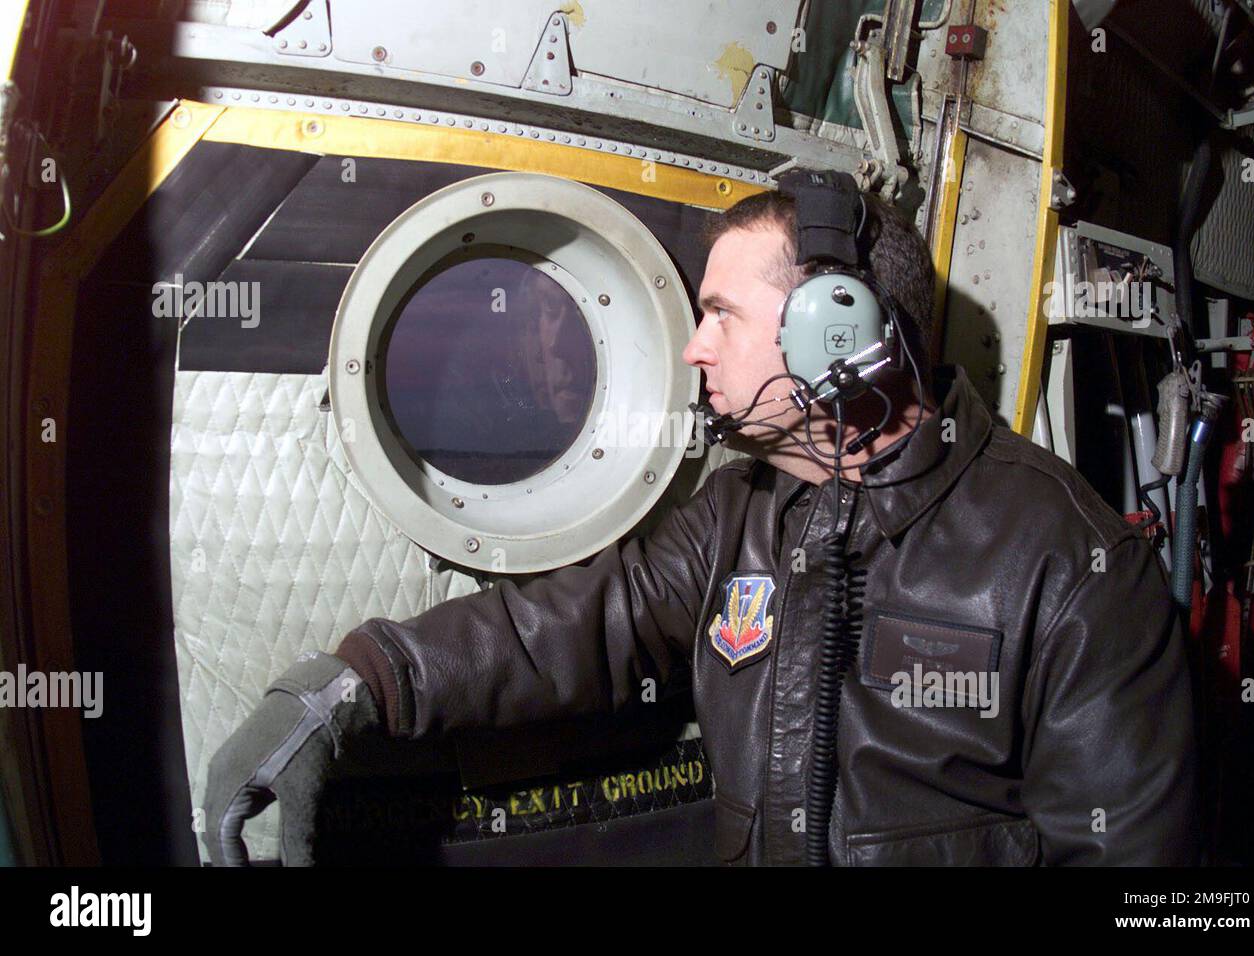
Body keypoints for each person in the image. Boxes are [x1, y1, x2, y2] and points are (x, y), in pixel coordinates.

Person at [203, 169, 1201, 866]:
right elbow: (566, 623)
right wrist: (354, 682)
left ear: (837, 329)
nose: (691, 348)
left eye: (720, 312)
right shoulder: (738, 514)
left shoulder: (1067, 562)